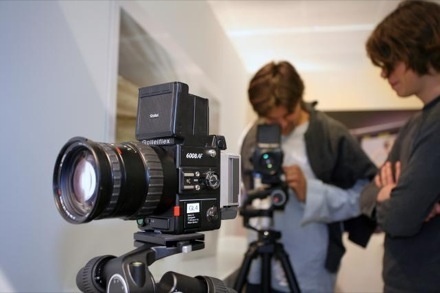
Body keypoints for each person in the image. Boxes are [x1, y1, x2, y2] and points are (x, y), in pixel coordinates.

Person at [239, 60, 377, 293]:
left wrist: (310, 192)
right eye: (272, 120)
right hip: (259, 262)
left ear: (299, 99)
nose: (282, 125)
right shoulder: (252, 135)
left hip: (309, 271)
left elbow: (367, 194)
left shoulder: (330, 134)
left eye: (288, 115)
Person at [360, 1, 440, 292]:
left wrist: (394, 203)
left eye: (390, 61)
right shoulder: (414, 124)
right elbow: (366, 196)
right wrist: (384, 194)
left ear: (416, 48)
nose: (384, 74)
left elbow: (401, 219)